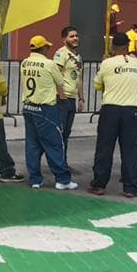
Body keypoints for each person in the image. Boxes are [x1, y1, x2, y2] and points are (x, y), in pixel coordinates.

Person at [88, 34, 137, 198]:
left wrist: (105, 64)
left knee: (105, 148)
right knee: (130, 149)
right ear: (128, 46)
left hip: (111, 109)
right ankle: (131, 187)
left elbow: (98, 85)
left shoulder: (107, 63)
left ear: (113, 47)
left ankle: (99, 183)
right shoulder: (136, 63)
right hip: (131, 109)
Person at [21, 35, 77, 191]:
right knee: (54, 144)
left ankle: (35, 179)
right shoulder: (49, 64)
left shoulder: (24, 63)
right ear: (43, 48)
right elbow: (61, 85)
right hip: (46, 108)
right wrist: (64, 101)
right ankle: (62, 179)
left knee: (32, 145)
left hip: (28, 107)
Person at [54, 26, 84, 170]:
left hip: (72, 99)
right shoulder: (61, 54)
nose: (75, 38)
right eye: (72, 36)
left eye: (76, 35)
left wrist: (81, 98)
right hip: (62, 99)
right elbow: (56, 74)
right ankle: (58, 163)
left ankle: (63, 162)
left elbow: (80, 78)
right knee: (59, 133)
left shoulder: (78, 57)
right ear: (64, 39)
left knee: (66, 133)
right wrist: (60, 93)